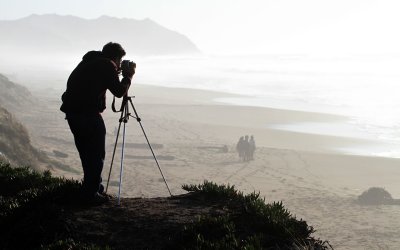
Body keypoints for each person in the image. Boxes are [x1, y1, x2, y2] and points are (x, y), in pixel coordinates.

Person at [60, 42, 135, 204]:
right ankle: (91, 193)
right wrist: (128, 76)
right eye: (120, 61)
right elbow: (119, 91)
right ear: (116, 57)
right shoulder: (106, 65)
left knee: (87, 153)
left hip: (73, 114)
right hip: (87, 115)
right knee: (96, 154)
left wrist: (116, 71)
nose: (120, 64)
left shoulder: (89, 61)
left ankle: (93, 189)